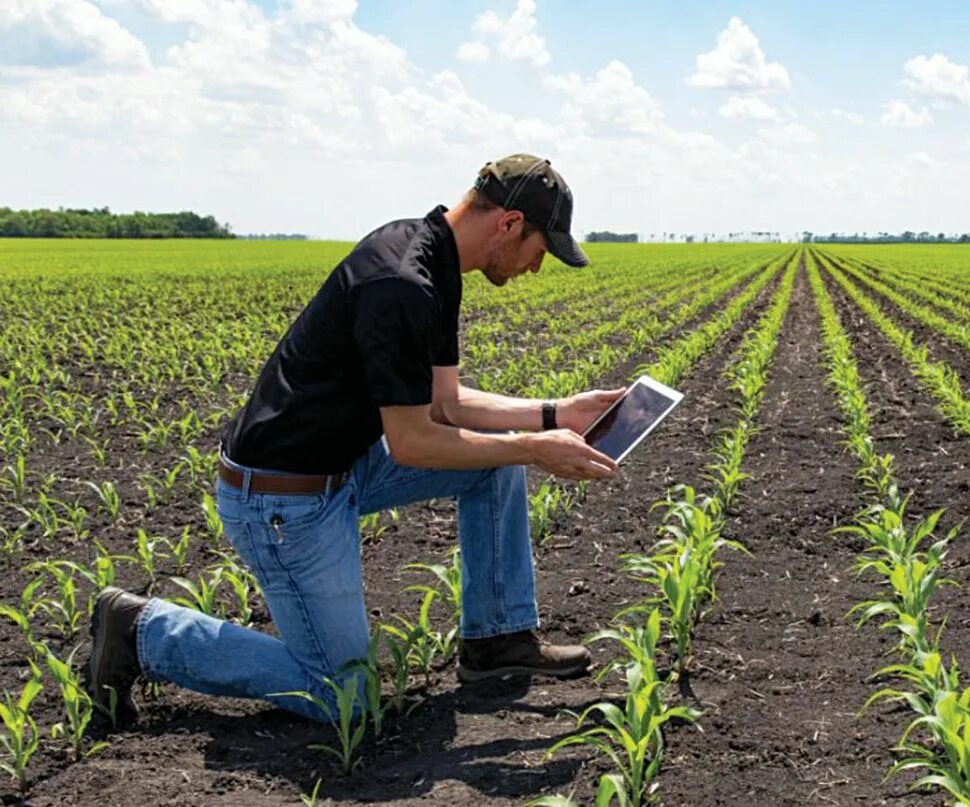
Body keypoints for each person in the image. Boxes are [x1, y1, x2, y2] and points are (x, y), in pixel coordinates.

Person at [85, 154, 623, 726]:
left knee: (494, 468)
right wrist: (534, 447)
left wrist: (556, 413)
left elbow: (447, 403)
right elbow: (414, 443)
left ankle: (496, 641)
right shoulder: (402, 283)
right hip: (282, 501)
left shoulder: (435, 260)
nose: (536, 268)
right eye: (541, 250)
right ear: (510, 224)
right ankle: (142, 632)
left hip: (342, 466)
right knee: (344, 696)